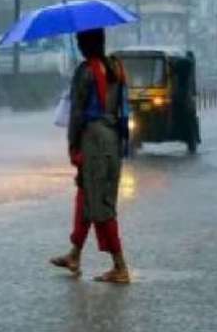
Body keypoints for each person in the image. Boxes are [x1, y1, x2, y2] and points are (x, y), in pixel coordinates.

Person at [50, 28, 131, 284]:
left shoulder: (85, 72)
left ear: (86, 44)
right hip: (113, 138)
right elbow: (124, 107)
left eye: (79, 41)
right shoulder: (117, 68)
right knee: (87, 197)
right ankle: (75, 254)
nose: (78, 45)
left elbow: (76, 114)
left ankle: (120, 266)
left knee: (100, 204)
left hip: (93, 139)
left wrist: (73, 146)